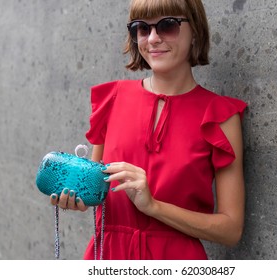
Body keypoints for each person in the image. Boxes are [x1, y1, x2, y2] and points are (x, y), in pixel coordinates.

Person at [50, 0, 247, 260]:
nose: (153, 38)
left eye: (168, 26)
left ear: (195, 30)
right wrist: (74, 197)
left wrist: (153, 206)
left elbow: (231, 230)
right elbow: (93, 192)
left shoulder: (220, 116)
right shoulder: (113, 99)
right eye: (142, 28)